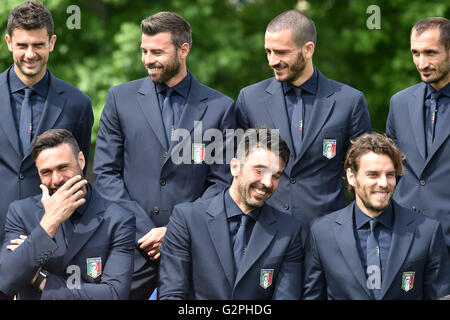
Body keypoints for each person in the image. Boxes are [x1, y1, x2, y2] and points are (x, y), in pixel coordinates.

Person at [93, 11, 235, 299]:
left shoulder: (221, 107)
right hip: (130, 247)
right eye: (144, 51)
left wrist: (174, 231)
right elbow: (106, 174)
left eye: (157, 51)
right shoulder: (120, 99)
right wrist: (147, 233)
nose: (147, 59)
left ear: (184, 50)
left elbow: (222, 183)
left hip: (194, 252)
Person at [235, 9, 371, 239]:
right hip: (263, 233)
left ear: (308, 50)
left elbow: (364, 172)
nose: (272, 61)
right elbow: (235, 170)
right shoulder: (249, 99)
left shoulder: (349, 101)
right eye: (268, 51)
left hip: (328, 237)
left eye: (281, 52)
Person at [0, 1, 93, 291]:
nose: (30, 54)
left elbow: (77, 179)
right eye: (22, 45)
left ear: (51, 42)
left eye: (38, 45)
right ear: (8, 42)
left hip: (54, 250)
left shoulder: (78, 104)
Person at [158, 128, 303, 299]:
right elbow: (172, 294)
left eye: (276, 176)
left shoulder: (288, 231)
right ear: (235, 167)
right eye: (259, 171)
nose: (267, 182)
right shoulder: (187, 219)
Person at [303, 133, 450, 300]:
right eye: (373, 174)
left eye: (389, 174)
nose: (383, 183)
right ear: (351, 176)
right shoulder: (322, 233)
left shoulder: (427, 232)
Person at [0, 129, 135, 300]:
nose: (56, 180)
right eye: (46, 172)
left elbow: (114, 295)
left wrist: (41, 279)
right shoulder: (20, 213)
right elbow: (5, 280)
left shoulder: (118, 220)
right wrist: (50, 222)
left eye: (63, 167)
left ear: (81, 160)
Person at [386, 17, 450, 255]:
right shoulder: (399, 102)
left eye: (430, 53)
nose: (422, 63)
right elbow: (391, 170)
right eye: (416, 53)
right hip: (403, 239)